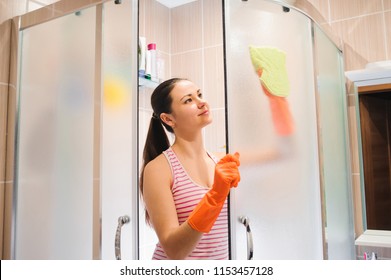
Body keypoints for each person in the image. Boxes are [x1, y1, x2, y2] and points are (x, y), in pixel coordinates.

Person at [140, 78, 241, 260]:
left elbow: (280, 154)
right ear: (168, 119)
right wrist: (215, 196)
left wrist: (275, 97)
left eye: (199, 95)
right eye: (188, 100)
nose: (202, 102)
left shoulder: (221, 162)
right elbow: (174, 251)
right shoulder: (158, 170)